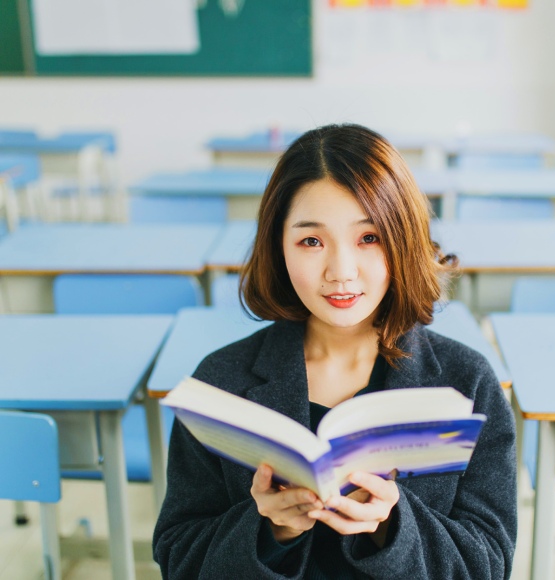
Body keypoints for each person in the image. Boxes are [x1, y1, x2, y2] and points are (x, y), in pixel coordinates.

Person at [153, 124, 517, 579]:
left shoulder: (466, 383)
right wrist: (270, 531)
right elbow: (178, 558)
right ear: (279, 248)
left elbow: (488, 565)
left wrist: (392, 526)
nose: (341, 272)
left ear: (403, 240)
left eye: (369, 238)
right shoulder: (222, 381)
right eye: (311, 241)